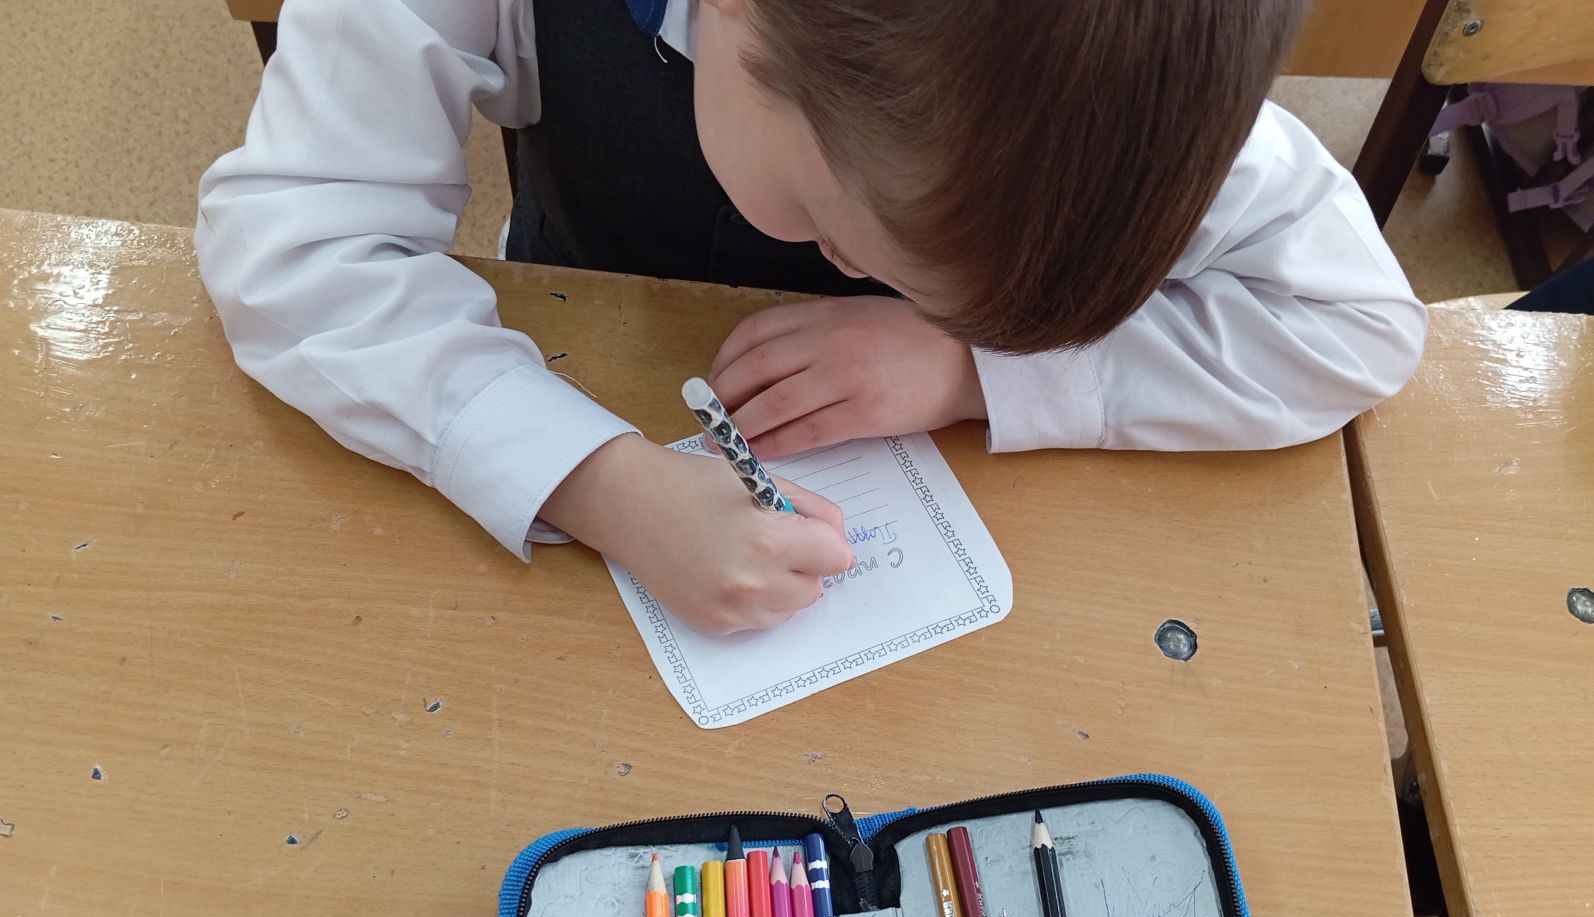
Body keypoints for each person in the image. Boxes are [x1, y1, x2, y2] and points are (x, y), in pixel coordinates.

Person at [197, 0, 1425, 634]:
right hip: (582, 338)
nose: (847, 267)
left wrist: (969, 369)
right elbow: (296, 243)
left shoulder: (1115, 61)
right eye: (837, 234)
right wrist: (591, 480)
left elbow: (1354, 324)